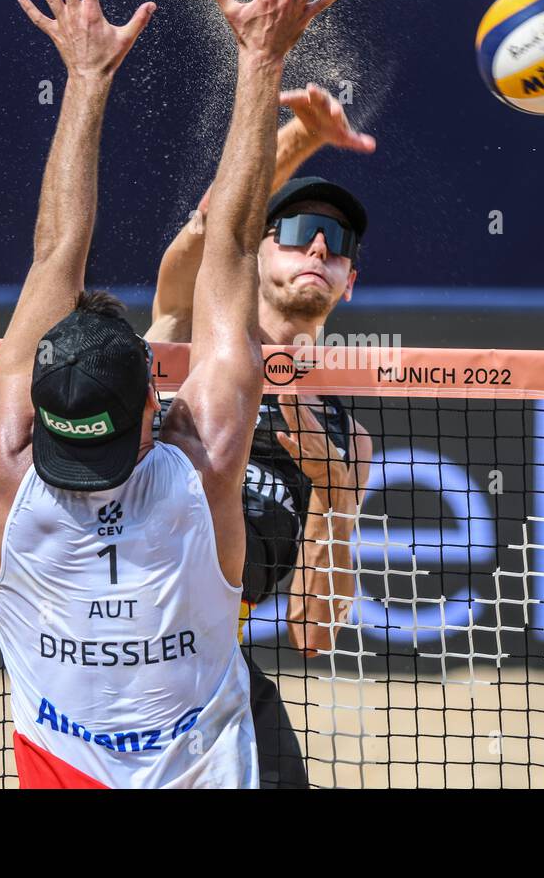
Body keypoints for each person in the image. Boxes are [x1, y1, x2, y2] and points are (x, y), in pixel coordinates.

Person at [0, 0, 348, 788]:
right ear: (155, 403)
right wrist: (261, 61)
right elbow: (231, 247)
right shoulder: (203, 470)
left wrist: (83, 80)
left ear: (38, 409)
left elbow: (54, 252)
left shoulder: (10, 471)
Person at [145, 48, 377, 790]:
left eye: (338, 245)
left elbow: (313, 631)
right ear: (254, 252)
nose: (320, 247)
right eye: (301, 229)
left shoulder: (347, 438)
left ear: (348, 283)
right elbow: (210, 232)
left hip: (213, 664)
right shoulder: (189, 334)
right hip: (117, 631)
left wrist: (334, 492)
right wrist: (301, 136)